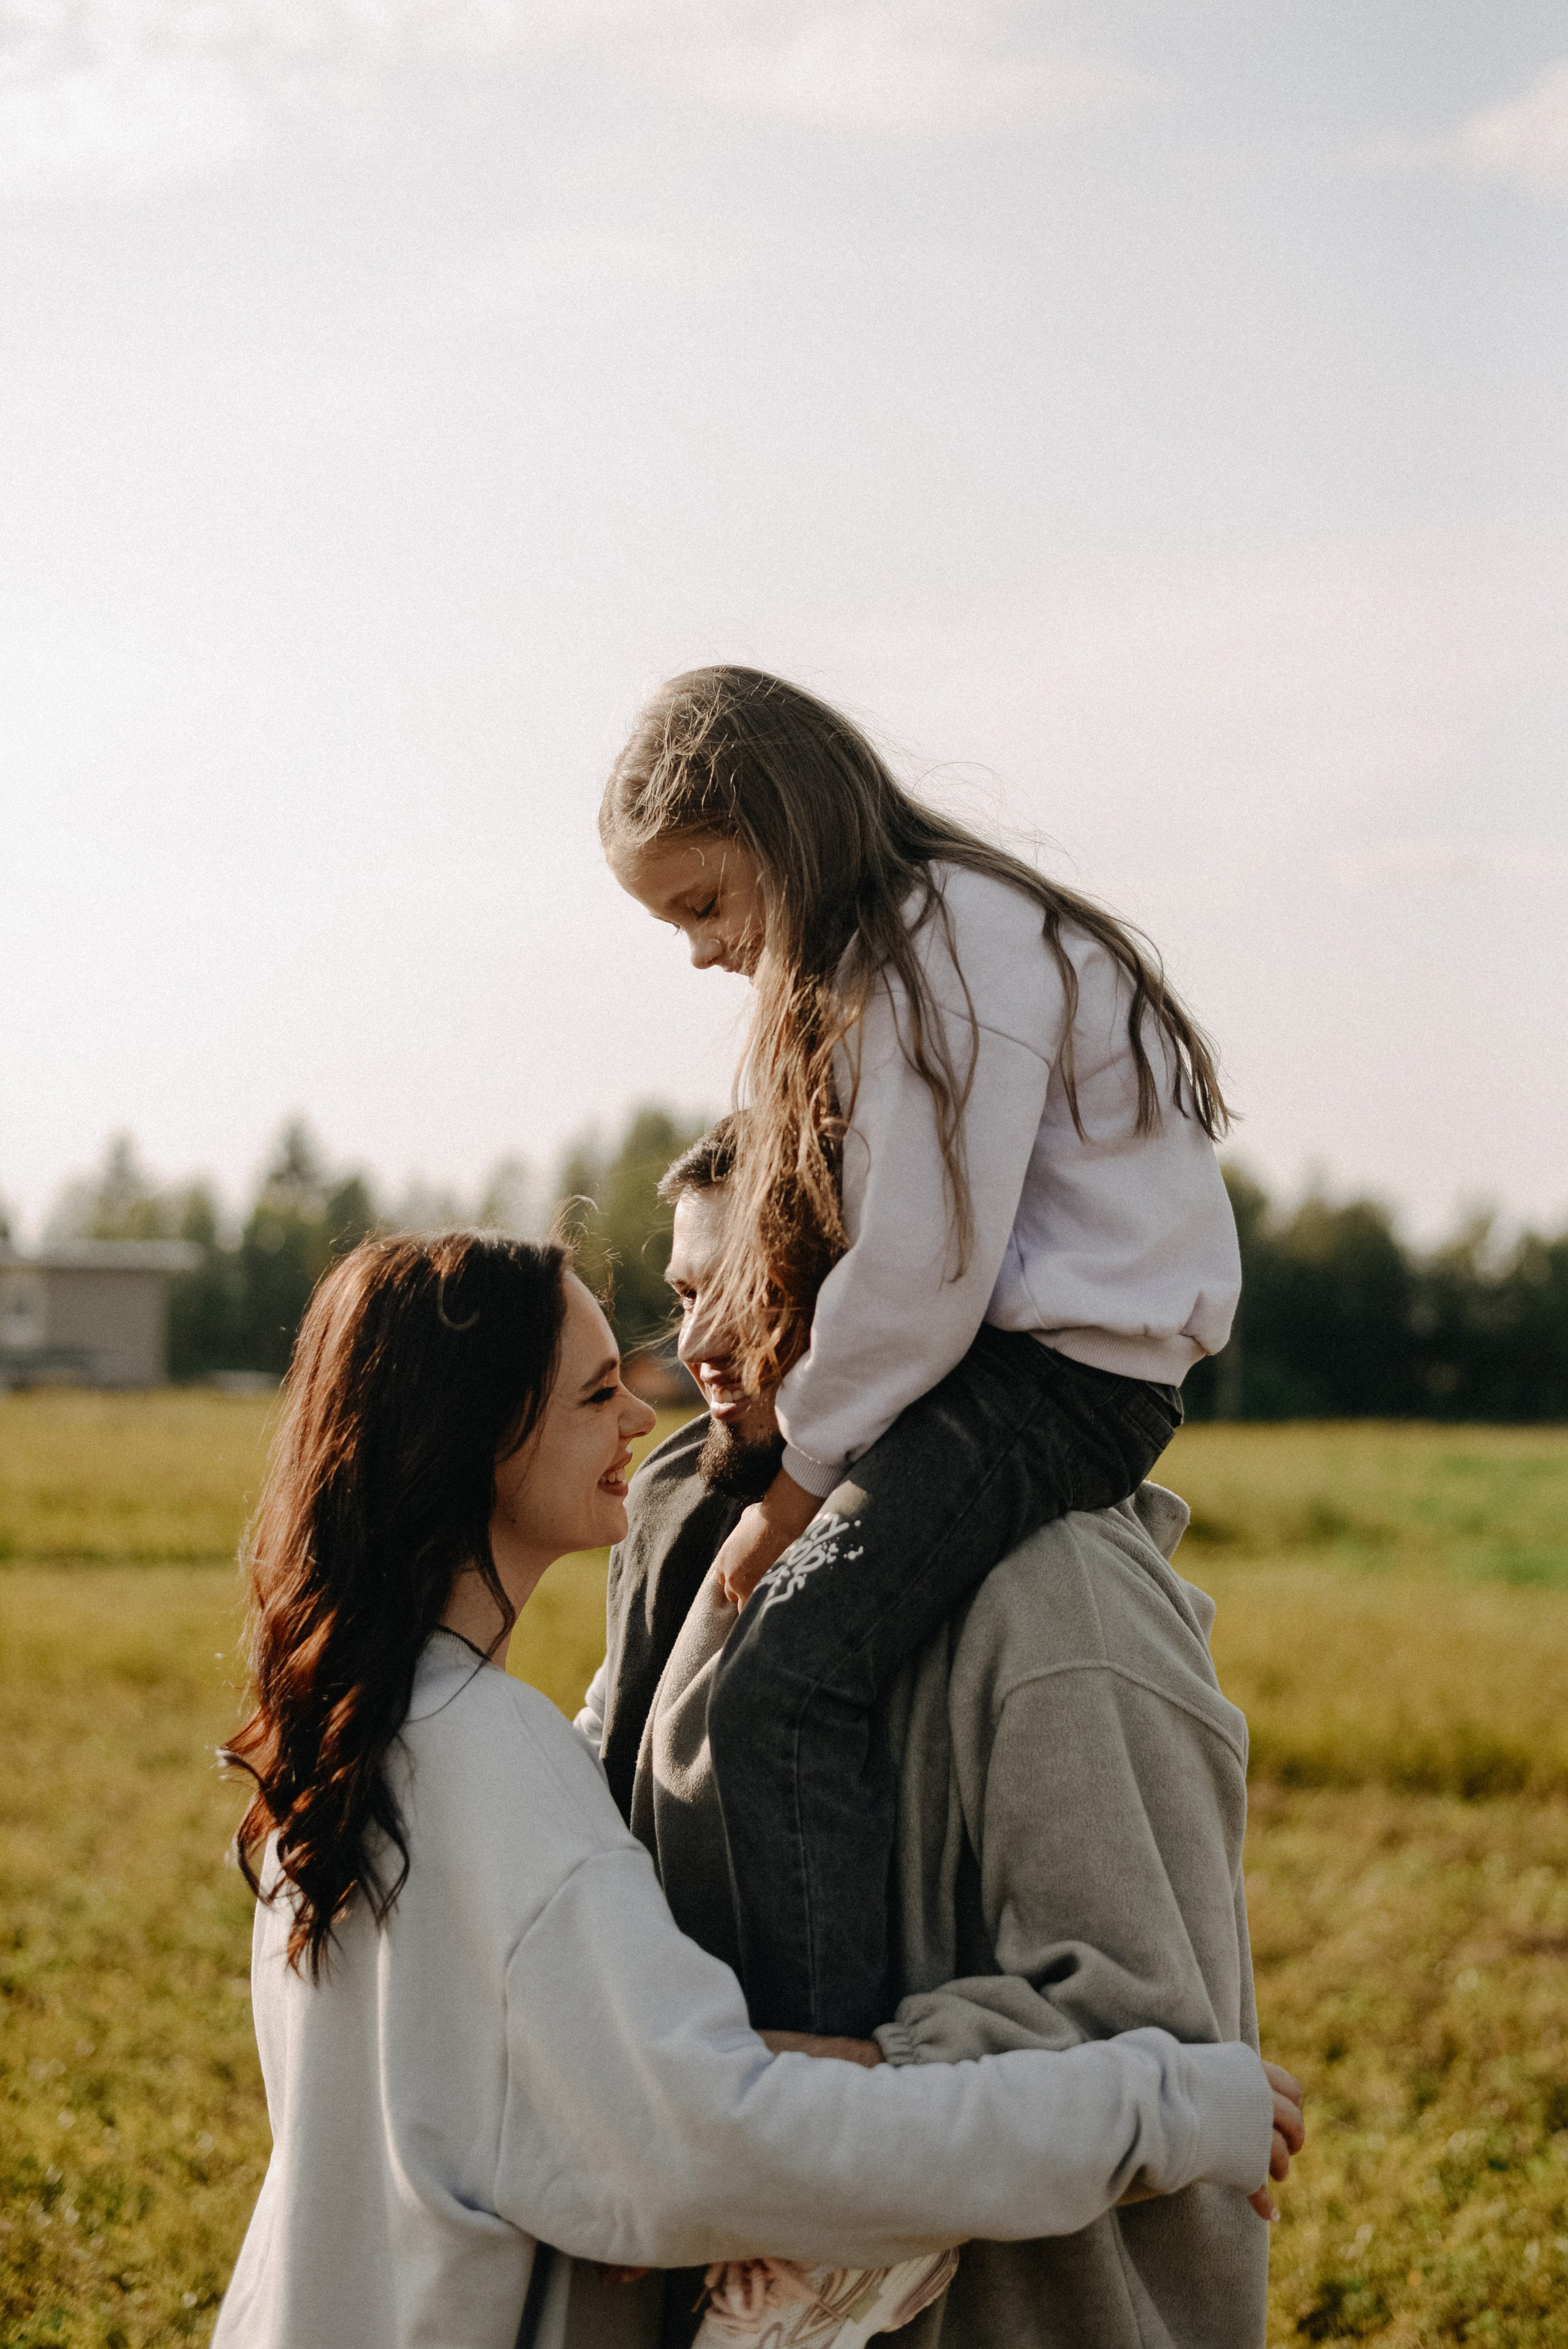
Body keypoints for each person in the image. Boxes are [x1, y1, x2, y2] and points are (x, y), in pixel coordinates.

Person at [211, 1231, 1284, 2349]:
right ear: (479, 1441)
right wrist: (1171, 2107)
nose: (644, 1412)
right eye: (593, 1396)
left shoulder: (363, 1736)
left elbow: (577, 2086)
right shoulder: (491, 1762)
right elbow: (724, 2143)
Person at [601, 666, 1243, 2044]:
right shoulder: (890, 952)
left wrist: (801, 1484)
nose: (704, 952)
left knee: (782, 1682)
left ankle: (825, 2088)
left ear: (780, 827)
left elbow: (924, 1263)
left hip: (1059, 1383)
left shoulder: (949, 941)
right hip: (993, 1369)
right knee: (683, 1532)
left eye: (705, 904)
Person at [581, 1125, 1302, 2348]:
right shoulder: (697, 1537)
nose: (696, 1347)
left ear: (896, 1303)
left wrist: (767, 2086)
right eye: (684, 1293)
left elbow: (1150, 2040)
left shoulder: (1060, 1595)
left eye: (752, 1295)